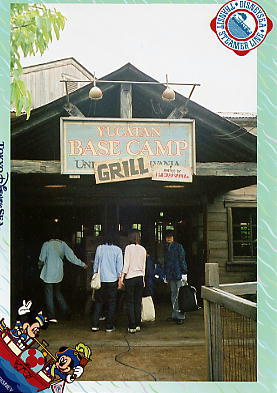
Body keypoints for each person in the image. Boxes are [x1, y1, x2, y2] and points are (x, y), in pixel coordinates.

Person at [38, 235, 88, 323]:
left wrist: (39, 266)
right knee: (58, 292)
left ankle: (51, 316)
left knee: (49, 294)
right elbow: (72, 257)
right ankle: (66, 310)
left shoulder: (46, 244)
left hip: (48, 274)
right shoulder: (63, 244)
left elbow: (41, 259)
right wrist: (82, 264)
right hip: (58, 273)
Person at [91, 232, 123, 332]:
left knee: (99, 302)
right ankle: (109, 326)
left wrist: (94, 273)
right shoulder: (118, 250)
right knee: (112, 303)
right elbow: (120, 267)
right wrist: (120, 280)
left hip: (101, 280)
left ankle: (95, 325)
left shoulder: (99, 248)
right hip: (112, 280)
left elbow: (96, 264)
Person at [119, 230, 146, 334]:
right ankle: (138, 324)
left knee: (130, 302)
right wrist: (143, 280)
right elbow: (143, 266)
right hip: (140, 278)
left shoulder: (128, 248)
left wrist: (121, 279)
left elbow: (126, 265)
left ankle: (132, 325)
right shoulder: (143, 249)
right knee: (138, 302)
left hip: (130, 278)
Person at [164, 230, 188, 325]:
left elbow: (182, 259)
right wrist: (165, 274)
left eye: (170, 236)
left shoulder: (178, 247)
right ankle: (174, 314)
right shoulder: (166, 247)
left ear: (173, 237)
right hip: (170, 274)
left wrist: (184, 272)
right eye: (167, 237)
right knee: (173, 294)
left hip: (179, 273)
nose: (169, 238)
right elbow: (166, 262)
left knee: (180, 295)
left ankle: (181, 316)